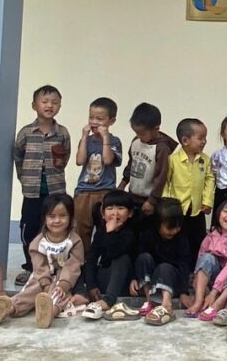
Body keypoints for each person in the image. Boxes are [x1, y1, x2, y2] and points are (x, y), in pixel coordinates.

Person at [0, 193, 84, 329]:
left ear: (71, 217)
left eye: (62, 216)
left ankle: (49, 313)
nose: (57, 220)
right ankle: (9, 308)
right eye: (51, 216)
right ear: (44, 218)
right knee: (29, 292)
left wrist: (63, 285)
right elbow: (39, 266)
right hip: (41, 277)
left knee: (59, 296)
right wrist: (44, 283)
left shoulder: (74, 241)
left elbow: (72, 266)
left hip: (62, 278)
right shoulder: (39, 242)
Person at [12, 84, 71, 285]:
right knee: (29, 230)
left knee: (55, 229)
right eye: (44, 102)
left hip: (55, 191)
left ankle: (55, 267)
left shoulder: (62, 133)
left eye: (55, 102)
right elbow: (18, 158)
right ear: (34, 105)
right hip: (31, 192)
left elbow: (66, 157)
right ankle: (31, 268)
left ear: (60, 106)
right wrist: (25, 179)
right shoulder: (26, 133)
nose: (49, 105)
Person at [72, 97, 123, 256]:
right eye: (91, 117)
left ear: (111, 121)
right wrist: (84, 138)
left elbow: (108, 160)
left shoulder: (114, 141)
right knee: (81, 229)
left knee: (106, 228)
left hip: (105, 192)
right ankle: (83, 261)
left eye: (99, 119)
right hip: (84, 191)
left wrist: (105, 138)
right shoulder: (86, 140)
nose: (94, 122)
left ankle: (102, 261)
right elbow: (79, 161)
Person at [187, 198, 227, 320]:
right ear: (218, 214)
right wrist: (200, 287)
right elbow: (200, 262)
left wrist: (214, 293)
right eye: (226, 211)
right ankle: (199, 301)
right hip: (211, 283)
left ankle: (219, 302)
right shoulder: (211, 235)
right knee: (207, 257)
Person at [79, 189, 139, 321]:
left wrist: (111, 232)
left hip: (124, 282)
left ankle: (108, 301)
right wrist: (91, 285)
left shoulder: (130, 233)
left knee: (121, 258)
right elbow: (92, 258)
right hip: (105, 280)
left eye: (121, 208)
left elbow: (115, 253)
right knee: (83, 264)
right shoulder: (101, 232)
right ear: (103, 213)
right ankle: (83, 296)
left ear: (130, 213)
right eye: (110, 208)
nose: (115, 213)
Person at [132, 197, 193, 326]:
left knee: (165, 267)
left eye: (178, 226)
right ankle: (150, 301)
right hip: (152, 279)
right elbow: (137, 257)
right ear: (157, 223)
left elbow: (184, 263)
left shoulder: (181, 239)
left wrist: (183, 292)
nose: (175, 231)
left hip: (171, 278)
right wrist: (133, 278)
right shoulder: (148, 235)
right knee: (144, 258)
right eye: (170, 227)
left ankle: (166, 304)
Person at [119, 102, 176, 233]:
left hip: (149, 200)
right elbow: (131, 164)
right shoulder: (136, 142)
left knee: (146, 232)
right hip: (132, 195)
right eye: (136, 133)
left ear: (156, 129)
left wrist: (152, 200)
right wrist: (122, 184)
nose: (139, 136)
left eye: (142, 134)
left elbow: (161, 176)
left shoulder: (162, 149)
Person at [163, 118, 214, 263]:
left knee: (198, 240)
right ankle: (179, 269)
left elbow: (209, 180)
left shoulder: (205, 160)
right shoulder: (172, 160)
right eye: (200, 138)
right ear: (185, 140)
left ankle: (195, 270)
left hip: (197, 209)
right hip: (178, 209)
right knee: (179, 240)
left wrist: (207, 201)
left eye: (205, 138)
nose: (204, 141)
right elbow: (165, 182)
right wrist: (167, 204)